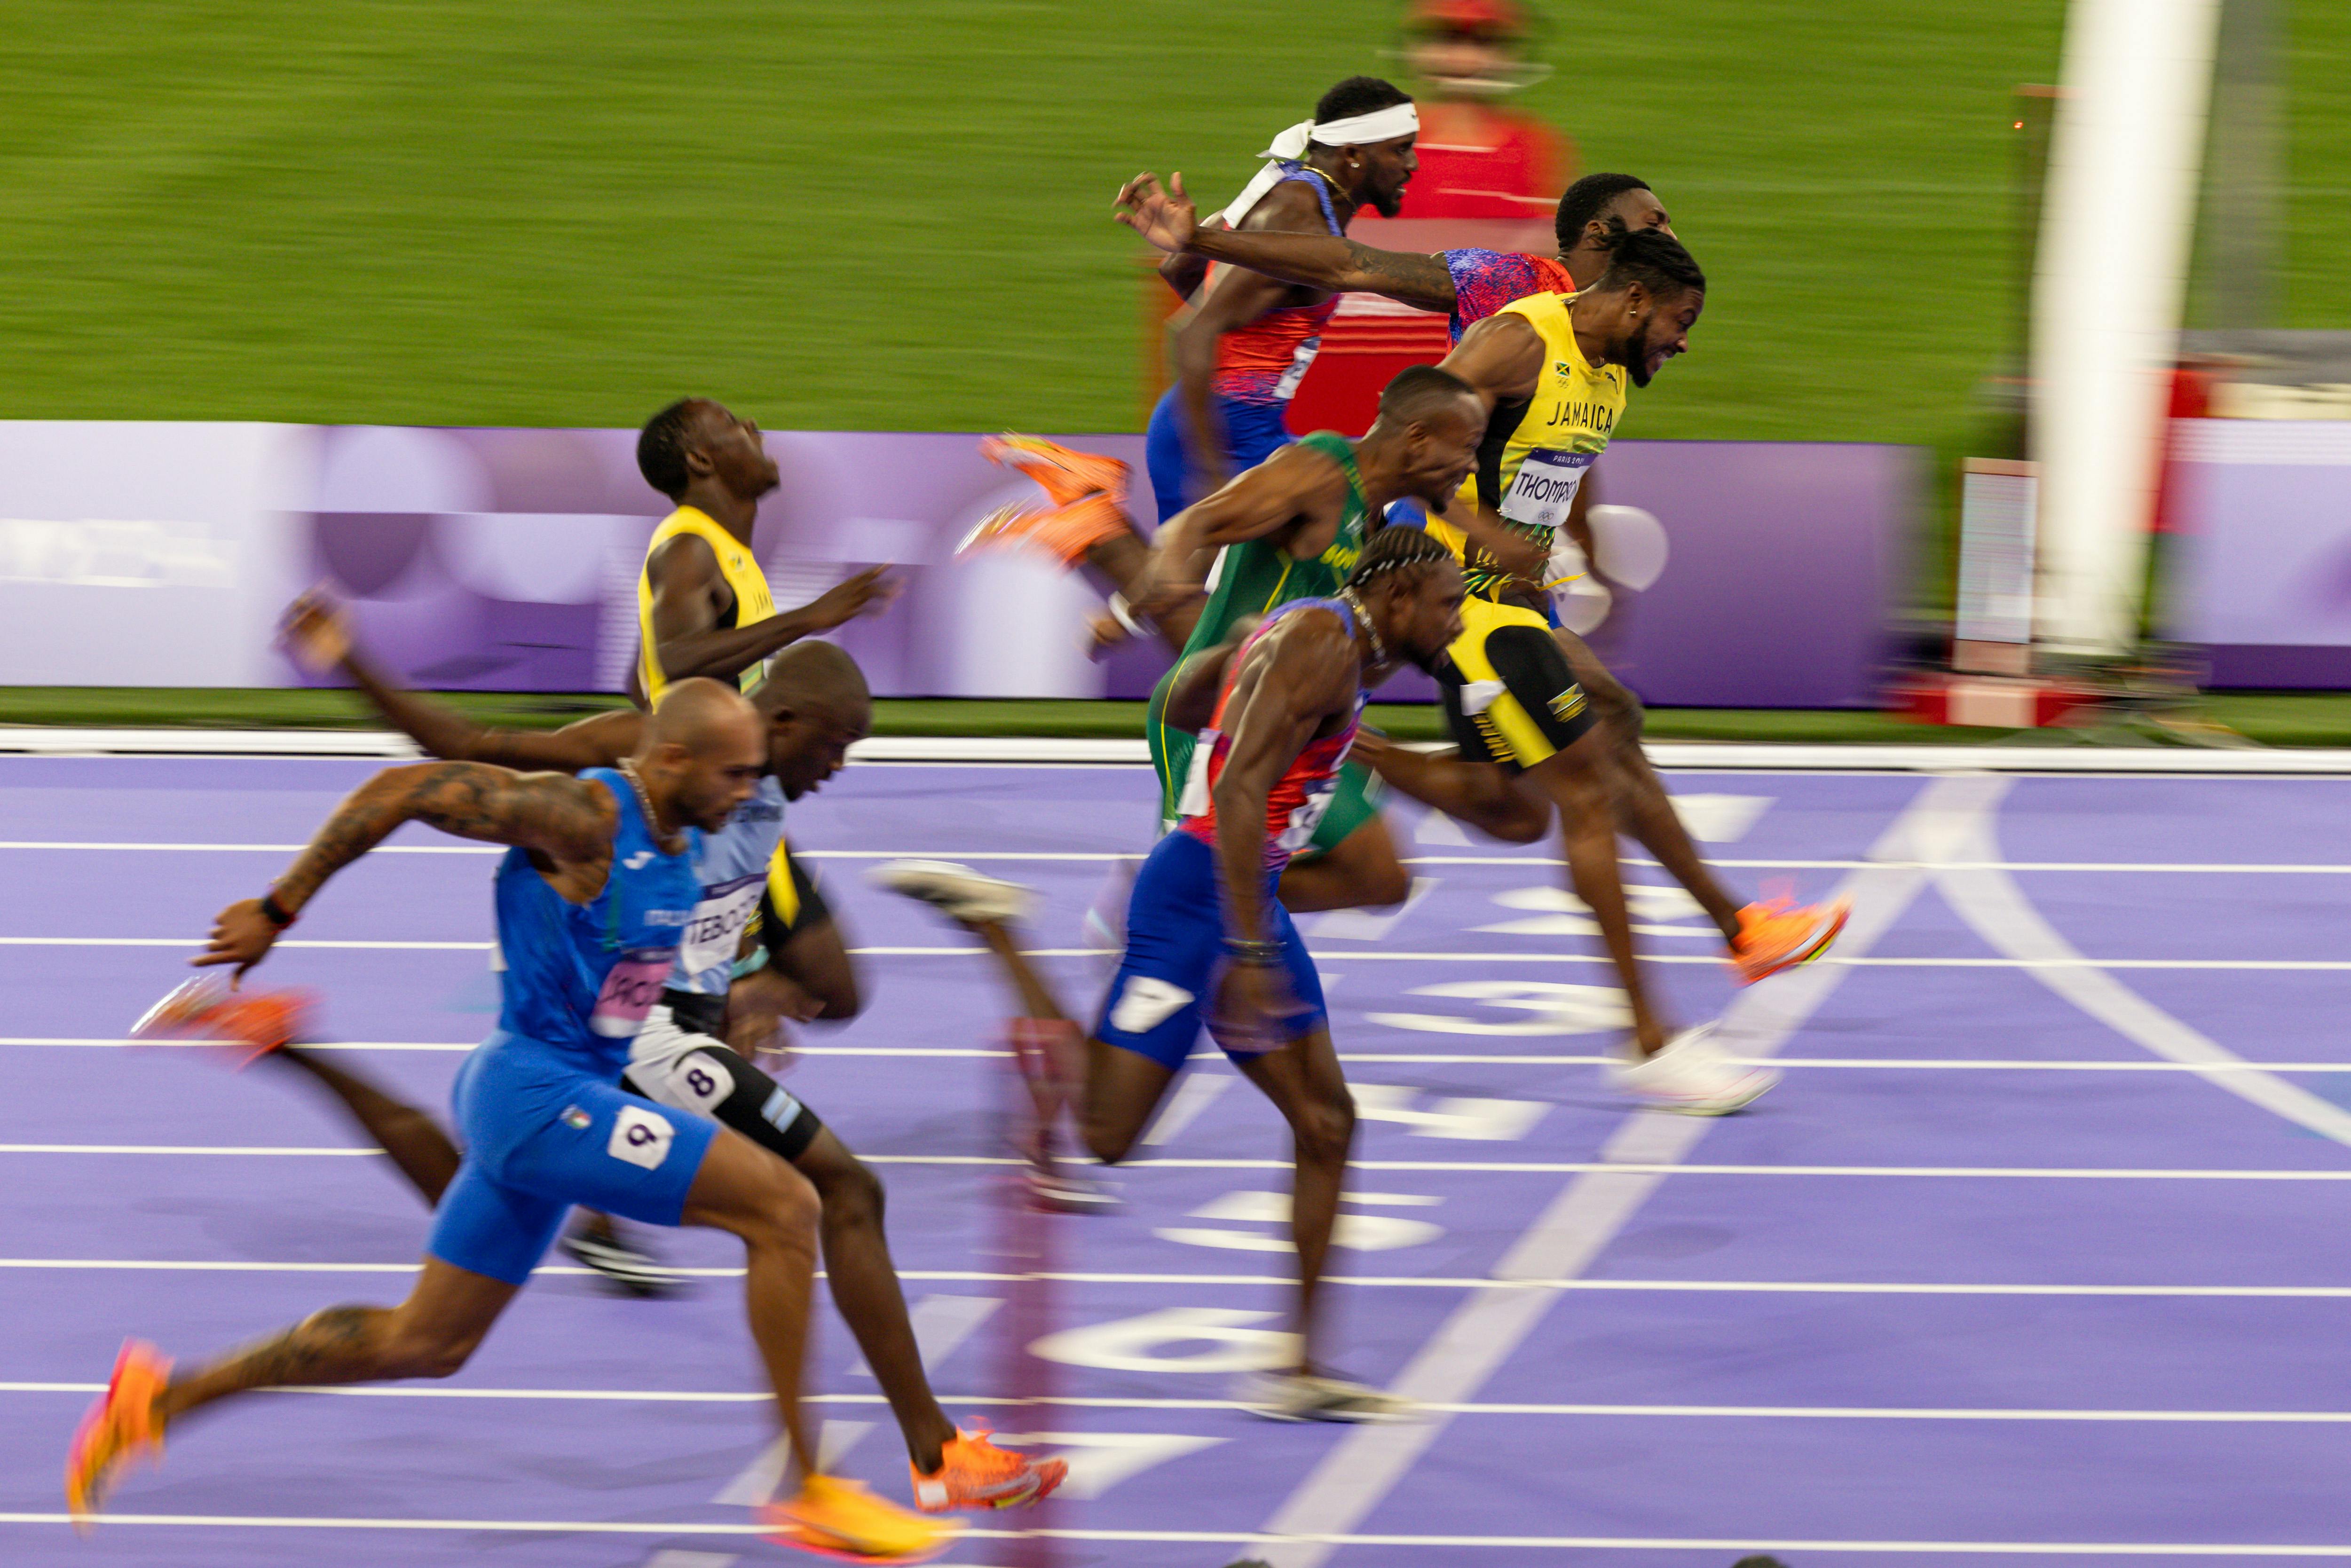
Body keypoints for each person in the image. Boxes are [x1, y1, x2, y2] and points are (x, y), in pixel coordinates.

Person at [67, 681, 964, 1560]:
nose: (749, 793)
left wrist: (744, 1004)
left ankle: (160, 1397)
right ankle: (808, 1491)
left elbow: (626, 989)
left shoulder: (683, 844)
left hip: (558, 1094)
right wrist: (278, 907)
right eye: (735, 775)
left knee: (427, 1342)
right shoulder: (586, 818)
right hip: (540, 1097)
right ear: (677, 758)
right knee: (785, 1207)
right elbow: (405, 788)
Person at [248, 595, 1063, 1516]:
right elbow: (463, 742)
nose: (838, 768)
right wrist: (350, 656)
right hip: (621, 1021)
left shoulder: (757, 801)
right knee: (834, 1192)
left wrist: (758, 989)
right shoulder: (658, 751)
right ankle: (907, 1459)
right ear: (779, 721)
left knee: (445, 1309)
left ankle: (914, 1449)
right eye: (833, 745)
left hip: (649, 1018)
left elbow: (749, 946)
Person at [878, 526, 1470, 1421]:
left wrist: (1245, 737)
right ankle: (1000, 930)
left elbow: (1182, 699)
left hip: (1241, 890)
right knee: (1107, 1136)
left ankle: (1300, 1369)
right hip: (1199, 904)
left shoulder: (1312, 636)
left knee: (1327, 1121)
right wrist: (1251, 947)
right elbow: (1235, 793)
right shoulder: (1324, 648)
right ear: (1398, 598)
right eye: (1449, 605)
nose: (1456, 625)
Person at [1114, 167, 1674, 598]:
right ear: (1599, 233)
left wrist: (1582, 545)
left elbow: (1564, 448)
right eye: (1655, 223)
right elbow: (1351, 264)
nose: (1671, 235)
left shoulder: (1620, 328)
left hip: (1504, 570)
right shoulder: (1513, 283)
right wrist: (1202, 242)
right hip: (1432, 543)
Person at [1388, 0, 1575, 224]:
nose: (1464, 59)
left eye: (1485, 41)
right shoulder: (1382, 143)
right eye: (1447, 38)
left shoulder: (1534, 149)